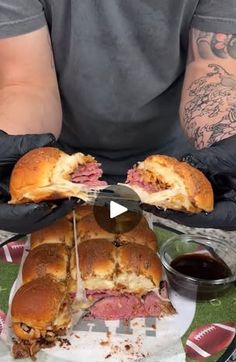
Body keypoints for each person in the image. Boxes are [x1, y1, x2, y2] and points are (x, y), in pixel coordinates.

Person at [0, 0, 236, 233]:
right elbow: (25, 80)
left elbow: (214, 66)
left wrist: (228, 146)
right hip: (54, 175)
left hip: (186, 168)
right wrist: (13, 158)